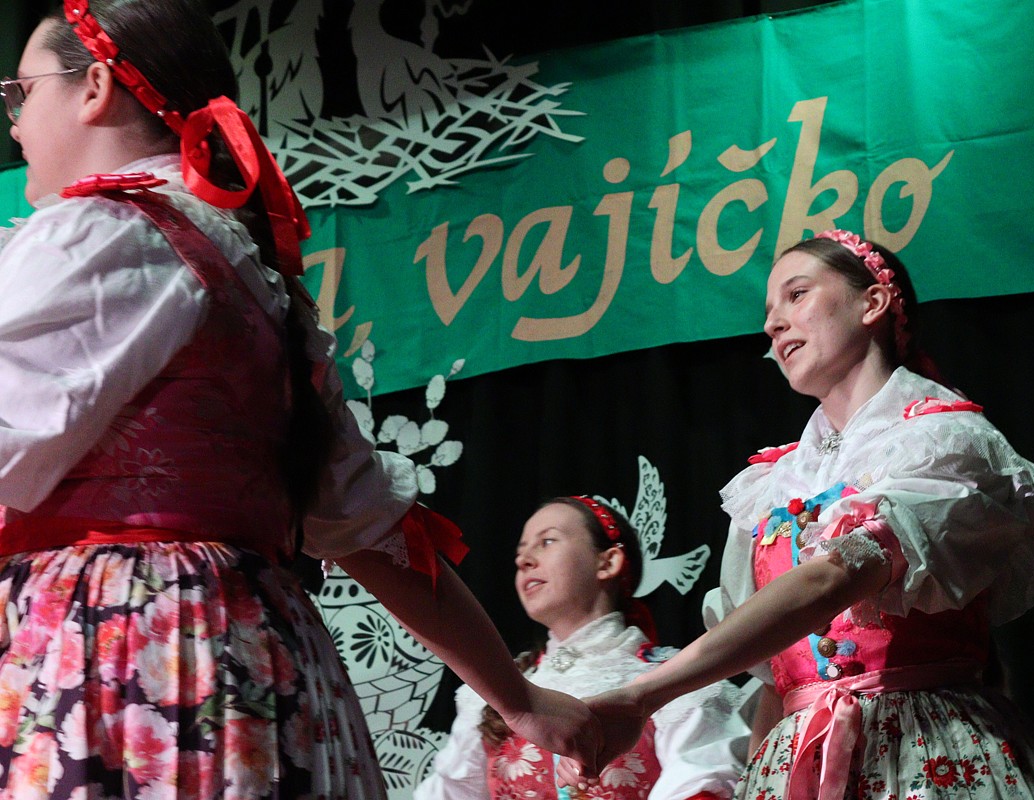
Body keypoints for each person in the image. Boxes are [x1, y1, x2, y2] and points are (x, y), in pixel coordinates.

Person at [0, 1, 598, 796]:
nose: (14, 123)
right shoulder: (252, 278)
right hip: (251, 651)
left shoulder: (102, 230)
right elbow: (367, 527)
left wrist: (522, 700)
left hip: (126, 647)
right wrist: (519, 700)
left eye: (23, 91)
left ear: (95, 87)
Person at [559, 230, 1034, 799]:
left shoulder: (941, 440)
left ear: (872, 303)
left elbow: (836, 576)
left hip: (926, 750)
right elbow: (773, 677)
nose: (773, 324)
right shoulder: (771, 484)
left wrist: (644, 694)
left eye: (796, 294)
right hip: (795, 757)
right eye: (769, 311)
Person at [415, 496, 749, 800]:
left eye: (547, 541)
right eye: (520, 553)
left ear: (608, 562)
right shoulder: (496, 688)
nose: (524, 560)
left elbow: (702, 779)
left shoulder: (673, 680)